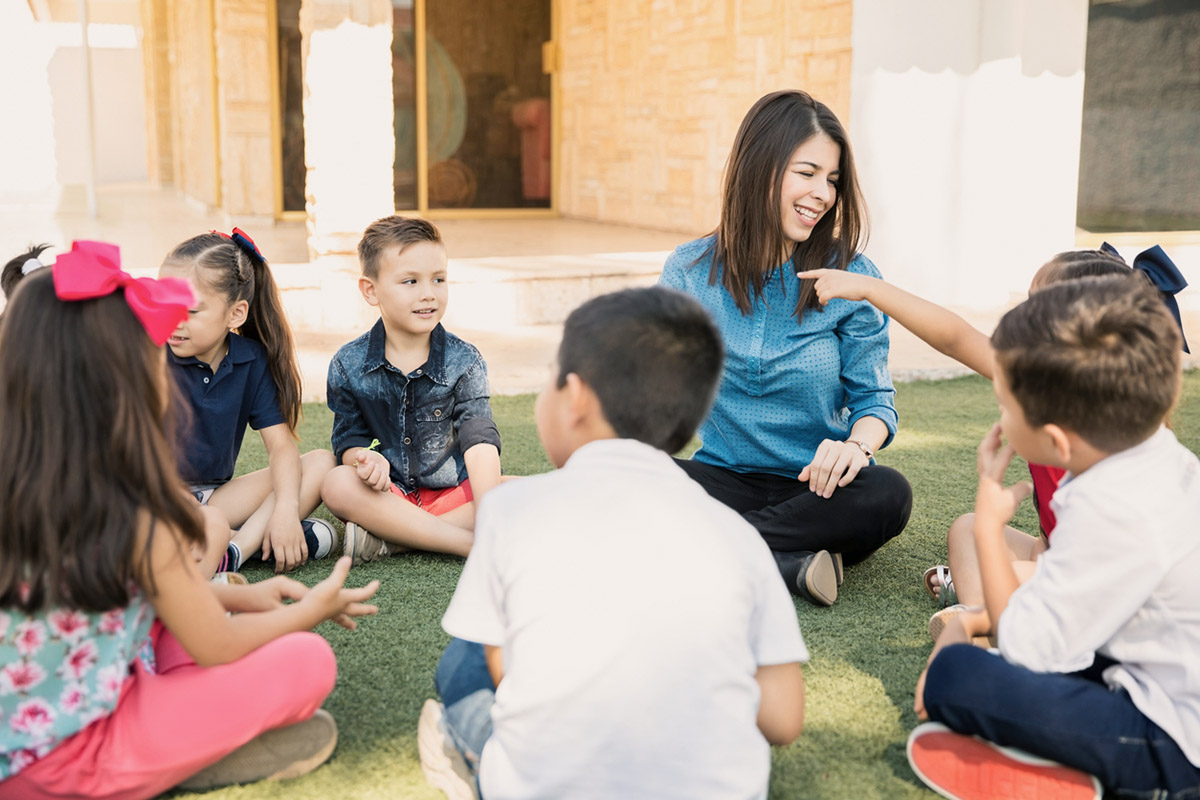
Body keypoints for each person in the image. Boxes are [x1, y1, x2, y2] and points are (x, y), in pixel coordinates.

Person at [0, 241, 380, 800]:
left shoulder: (31, 483)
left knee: (190, 610)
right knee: (307, 660)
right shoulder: (135, 514)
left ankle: (179, 738)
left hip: (45, 713)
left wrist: (237, 597)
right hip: (71, 758)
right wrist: (313, 610)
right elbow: (218, 646)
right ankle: (174, 761)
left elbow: (108, 602)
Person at [418, 287, 808, 800]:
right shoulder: (739, 536)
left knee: (464, 659)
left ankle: (459, 753)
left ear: (575, 397)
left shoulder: (513, 512)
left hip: (545, 784)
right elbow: (782, 719)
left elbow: (510, 674)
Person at [907, 275, 1200, 800]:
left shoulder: (1109, 508)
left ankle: (1103, 780)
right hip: (1151, 678)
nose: (999, 417)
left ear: (1056, 441)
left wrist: (992, 526)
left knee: (958, 675)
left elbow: (1024, 649)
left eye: (1006, 406)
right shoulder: (1160, 456)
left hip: (1175, 748)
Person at [800, 244, 1188, 636]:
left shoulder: (1119, 436)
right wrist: (868, 288)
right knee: (968, 529)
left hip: (1105, 582)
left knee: (1013, 573)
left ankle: (985, 620)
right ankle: (981, 610)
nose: (1020, 318)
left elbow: (1114, 563)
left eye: (1036, 308)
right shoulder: (1037, 382)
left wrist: (1033, 567)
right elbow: (954, 336)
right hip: (1057, 554)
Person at [658, 89, 913, 607]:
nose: (823, 193)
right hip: (721, 478)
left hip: (817, 491)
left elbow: (875, 405)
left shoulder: (854, 279)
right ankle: (784, 561)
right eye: (808, 172)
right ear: (760, 166)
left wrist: (856, 448)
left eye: (833, 180)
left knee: (889, 494)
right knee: (622, 474)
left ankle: (710, 551)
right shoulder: (687, 272)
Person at [321, 216, 502, 563]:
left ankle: (393, 540)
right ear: (370, 290)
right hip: (388, 497)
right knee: (336, 483)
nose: (428, 293)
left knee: (519, 493)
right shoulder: (348, 363)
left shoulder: (465, 360)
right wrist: (364, 459)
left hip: (454, 494)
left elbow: (479, 439)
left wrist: (491, 507)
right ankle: (467, 544)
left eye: (439, 279)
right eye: (410, 281)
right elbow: (348, 440)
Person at [160, 229, 337, 574]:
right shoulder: (147, 354)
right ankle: (250, 541)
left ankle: (234, 551)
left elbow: (281, 449)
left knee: (320, 463)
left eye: (191, 310)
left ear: (235, 314)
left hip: (215, 499)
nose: (174, 320)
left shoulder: (251, 359)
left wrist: (286, 510)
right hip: (153, 500)